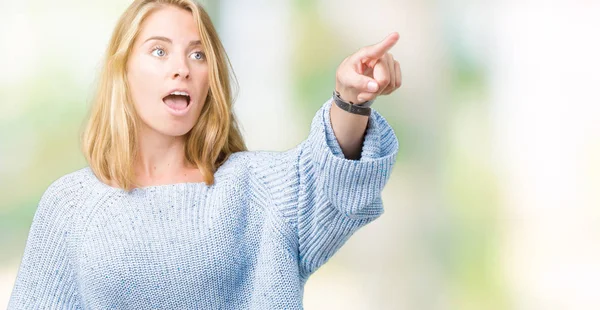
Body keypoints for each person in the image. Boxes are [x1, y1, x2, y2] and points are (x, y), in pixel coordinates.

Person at [8, 0, 401, 308]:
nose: (181, 68)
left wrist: (350, 99)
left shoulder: (257, 190)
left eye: (198, 55)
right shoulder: (71, 206)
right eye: (159, 52)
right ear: (122, 71)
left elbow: (331, 177)